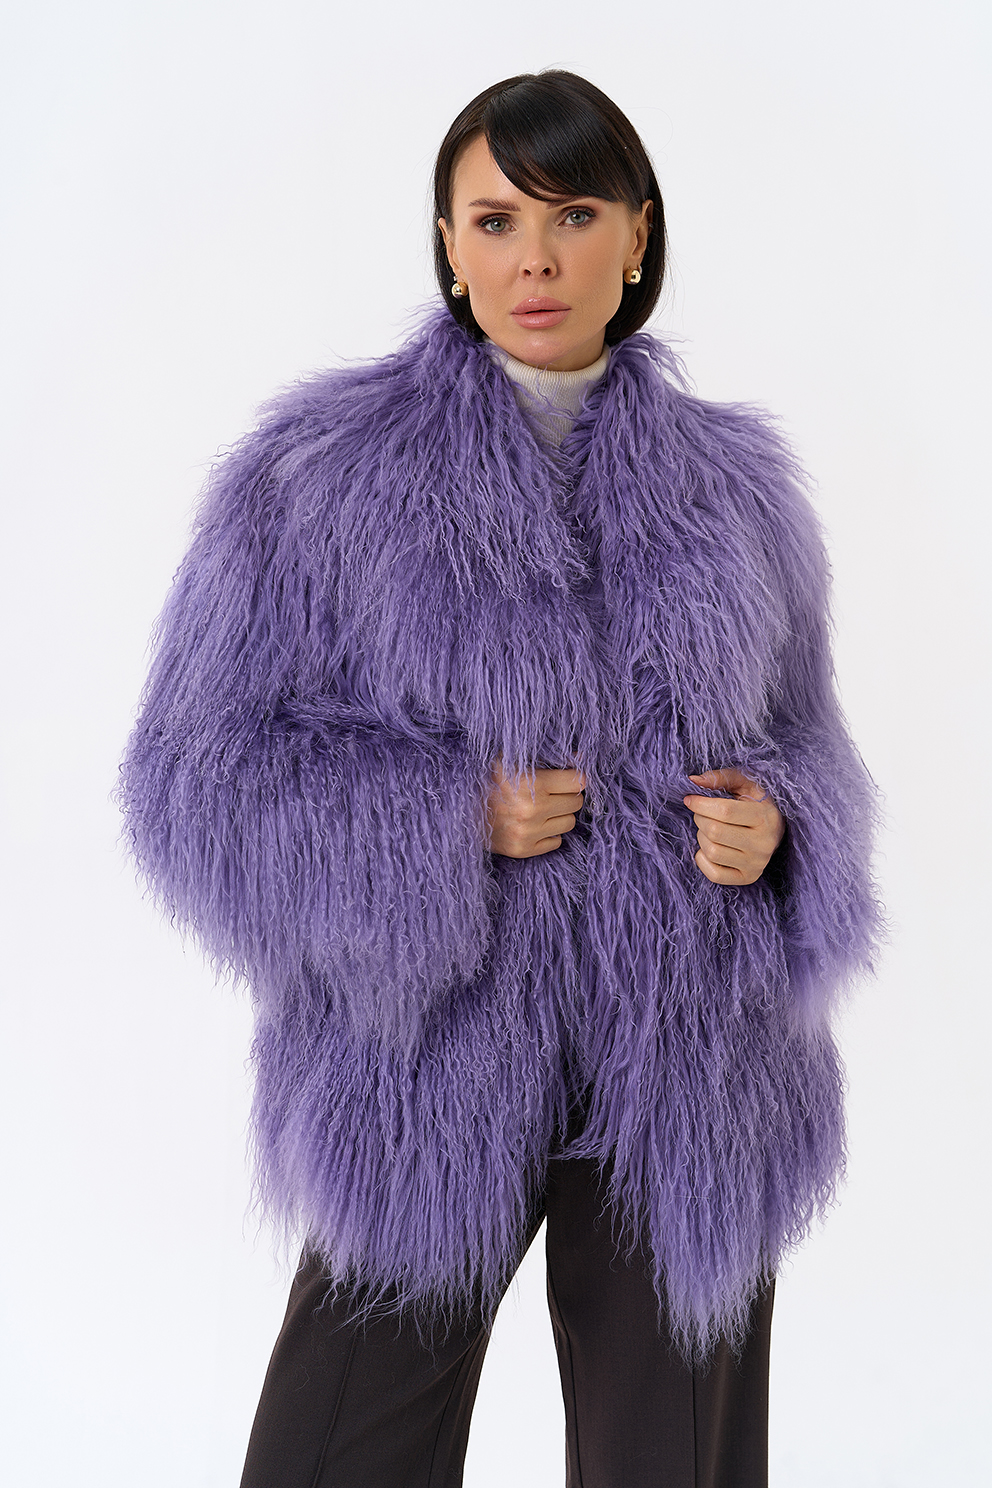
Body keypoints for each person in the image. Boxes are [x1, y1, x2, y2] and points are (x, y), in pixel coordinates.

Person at [118, 70, 882, 1487]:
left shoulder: (741, 492)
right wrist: (444, 822)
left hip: (689, 1060)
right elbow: (192, 777)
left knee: (677, 1462)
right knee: (338, 1446)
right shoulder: (318, 478)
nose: (537, 257)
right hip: (426, 1050)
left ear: (637, 238)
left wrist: (782, 830)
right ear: (449, 246)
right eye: (496, 219)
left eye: (575, 215)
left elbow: (811, 746)